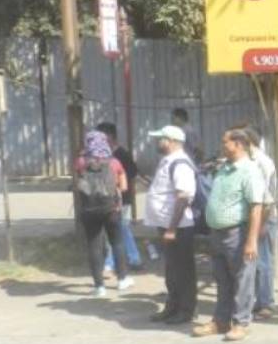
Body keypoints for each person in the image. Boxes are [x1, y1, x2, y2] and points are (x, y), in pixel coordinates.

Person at [194, 129, 265, 342]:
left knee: (242, 280)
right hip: (217, 234)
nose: (222, 145)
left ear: (238, 145)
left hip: (237, 234)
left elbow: (256, 207)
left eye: (225, 142)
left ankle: (241, 323)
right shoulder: (224, 169)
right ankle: (221, 321)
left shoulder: (249, 171)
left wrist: (251, 241)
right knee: (222, 280)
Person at [143, 124, 198, 324]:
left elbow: (183, 197)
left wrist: (172, 229)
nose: (158, 142)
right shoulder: (168, 161)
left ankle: (186, 310)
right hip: (167, 225)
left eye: (161, 138)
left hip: (178, 227)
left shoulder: (180, 163)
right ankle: (172, 306)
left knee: (183, 270)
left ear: (173, 141)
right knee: (171, 269)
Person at [73, 129, 132, 298]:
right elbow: (124, 187)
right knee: (117, 242)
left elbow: (78, 185)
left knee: (94, 245)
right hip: (111, 209)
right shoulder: (114, 162)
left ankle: (99, 287)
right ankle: (122, 280)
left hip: (89, 210)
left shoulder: (81, 162)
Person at [231, 122, 278, 320]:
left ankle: (266, 303)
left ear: (247, 141)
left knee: (263, 261)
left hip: (264, 216)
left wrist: (261, 223)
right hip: (256, 216)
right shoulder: (253, 160)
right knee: (255, 260)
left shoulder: (260, 162)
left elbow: (264, 197)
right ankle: (256, 301)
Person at [95, 121, 143, 275]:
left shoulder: (122, 154)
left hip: (122, 198)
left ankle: (111, 263)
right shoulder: (101, 155)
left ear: (110, 137)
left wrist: (119, 185)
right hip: (107, 198)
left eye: (101, 137)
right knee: (121, 228)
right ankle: (133, 258)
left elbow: (132, 173)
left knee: (117, 228)